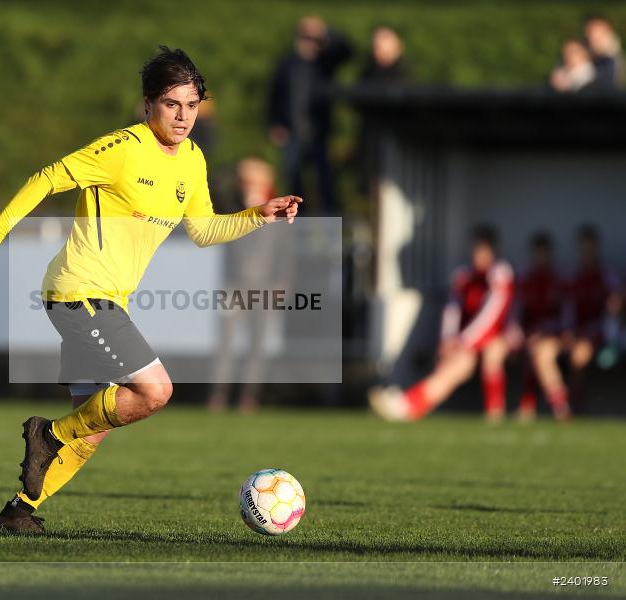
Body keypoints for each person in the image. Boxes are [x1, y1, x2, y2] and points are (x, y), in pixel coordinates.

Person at [0, 47, 301, 533]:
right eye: (171, 104)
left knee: (94, 424)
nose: (183, 116)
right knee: (155, 390)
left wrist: (258, 215)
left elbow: (203, 230)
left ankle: (18, 513)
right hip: (80, 292)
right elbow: (46, 178)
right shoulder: (123, 148)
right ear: (148, 104)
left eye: (192, 104)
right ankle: (47, 434)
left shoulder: (192, 159)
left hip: (103, 300)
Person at [369, 225, 514, 422]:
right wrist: (447, 339)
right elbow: (451, 311)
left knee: (493, 354)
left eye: (482, 249)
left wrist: (463, 340)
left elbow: (490, 316)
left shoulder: (500, 274)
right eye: (475, 249)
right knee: (456, 366)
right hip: (468, 342)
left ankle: (495, 414)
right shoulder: (464, 276)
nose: (477, 254)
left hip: (498, 336)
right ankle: (409, 405)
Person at [206, 157, 284, 413]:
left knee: (257, 344)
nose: (247, 184)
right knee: (226, 343)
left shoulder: (279, 212)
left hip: (264, 287)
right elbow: (214, 188)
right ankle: (218, 395)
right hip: (233, 286)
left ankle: (249, 397)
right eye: (244, 180)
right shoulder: (232, 207)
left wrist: (282, 285)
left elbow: (284, 254)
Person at [268, 16, 352, 215]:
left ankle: (330, 224)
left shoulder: (325, 63)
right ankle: (297, 224)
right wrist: (274, 123)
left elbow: (348, 50)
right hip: (292, 133)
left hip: (319, 133)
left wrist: (327, 32)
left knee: (325, 182)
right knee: (294, 183)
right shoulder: (287, 64)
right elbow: (274, 96)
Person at [564, 225, 621, 413]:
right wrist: (568, 332)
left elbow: (615, 308)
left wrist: (612, 339)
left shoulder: (607, 275)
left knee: (581, 352)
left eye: (590, 248)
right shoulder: (573, 276)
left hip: (602, 334)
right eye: (583, 249)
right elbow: (568, 311)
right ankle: (574, 405)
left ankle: (578, 406)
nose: (587, 253)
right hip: (580, 333)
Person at [516, 232, 571, 422]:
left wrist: (550, 331)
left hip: (554, 337)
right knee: (533, 350)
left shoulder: (559, 280)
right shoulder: (525, 279)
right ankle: (525, 406)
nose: (541, 257)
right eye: (537, 253)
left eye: (544, 253)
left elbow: (567, 314)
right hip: (529, 337)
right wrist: (520, 334)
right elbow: (516, 313)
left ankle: (560, 407)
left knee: (542, 353)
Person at [584, 14, 624, 88]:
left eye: (595, 31)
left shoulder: (610, 59)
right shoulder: (583, 50)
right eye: (589, 31)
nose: (592, 35)